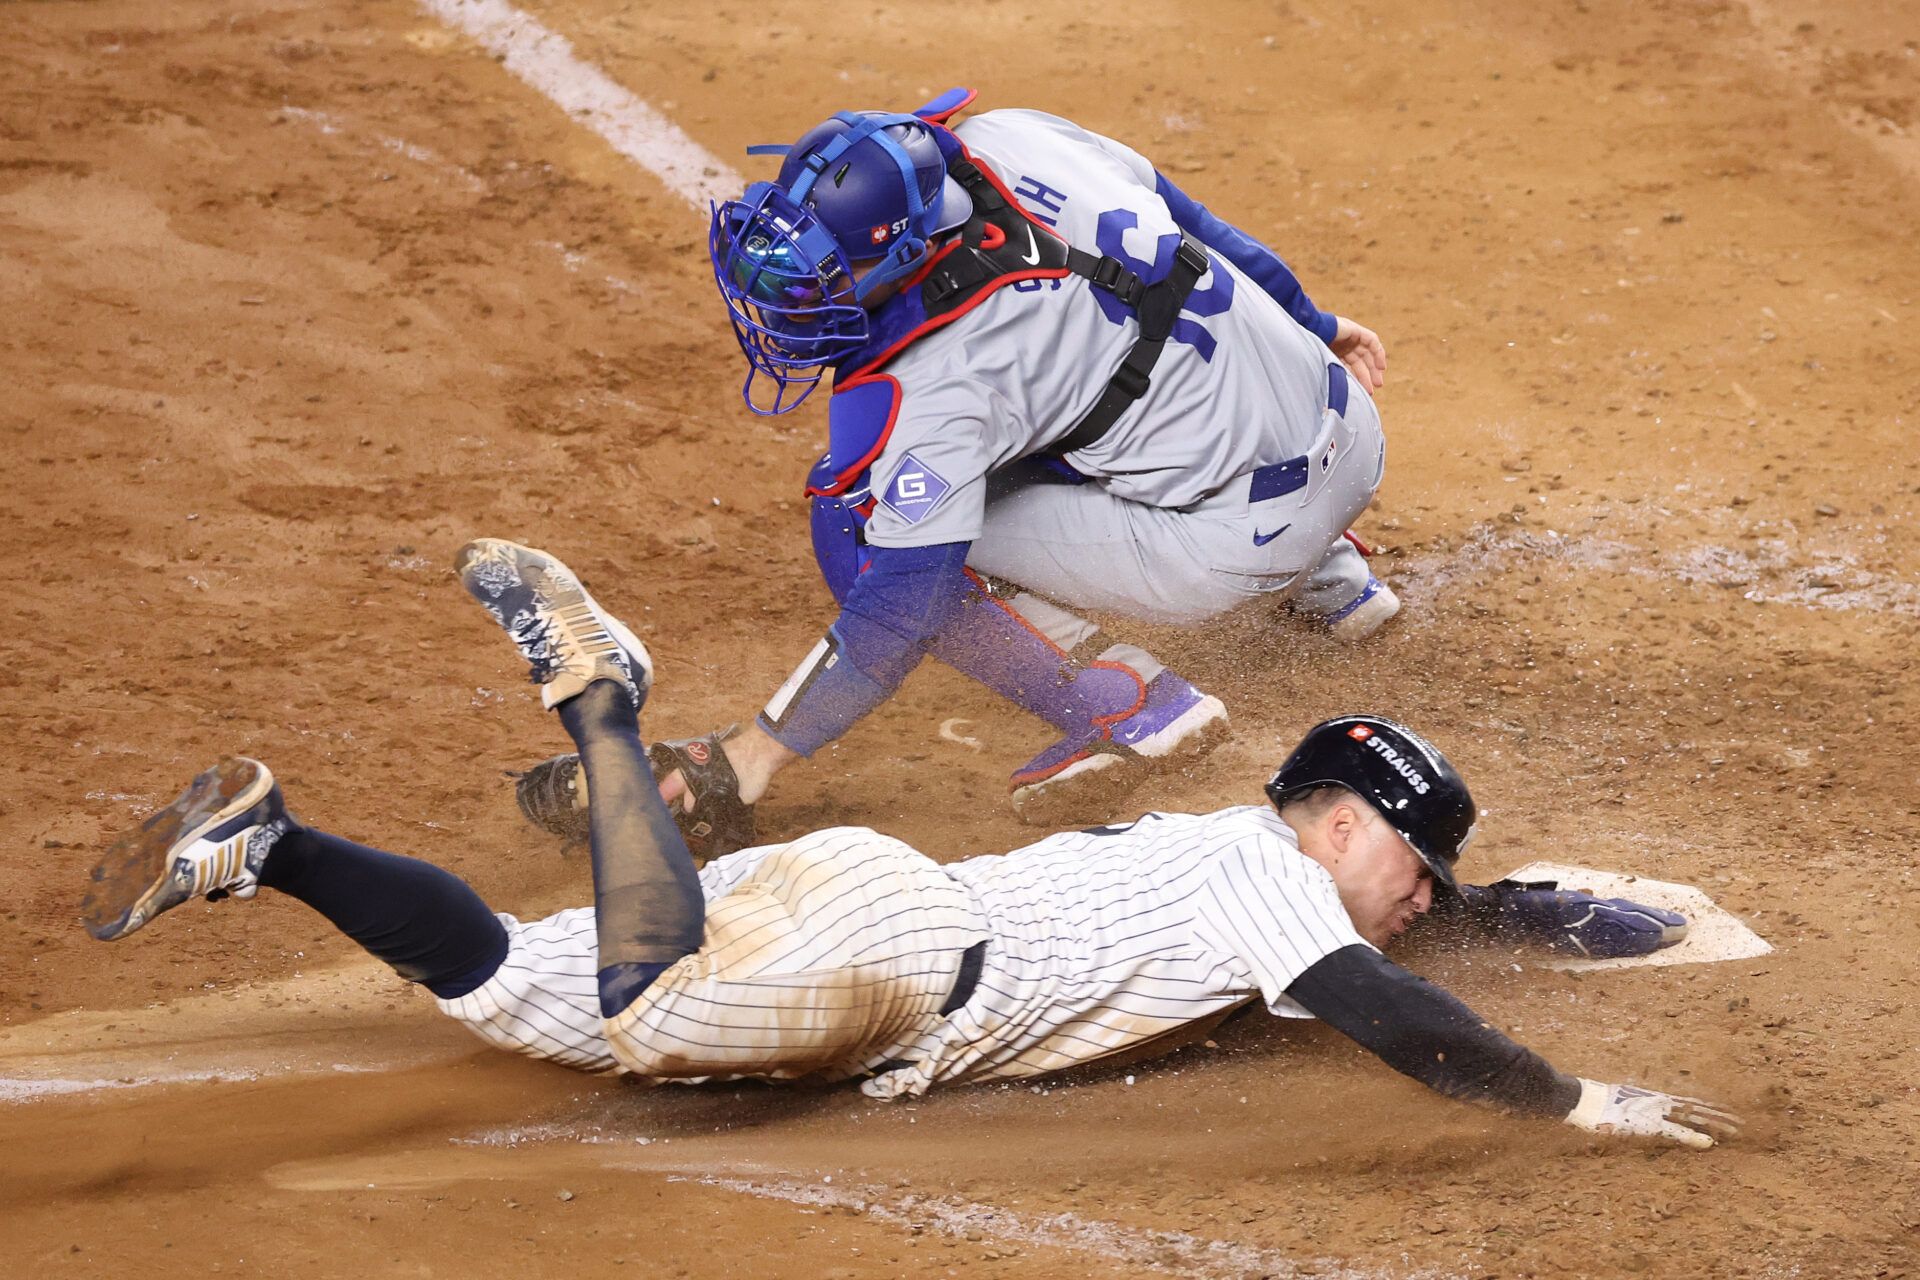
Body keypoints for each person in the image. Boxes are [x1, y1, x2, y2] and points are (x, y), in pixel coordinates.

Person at [82, 541, 1736, 1149]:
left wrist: (1570, 920)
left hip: (873, 904)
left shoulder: (1232, 854)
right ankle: (604, 708)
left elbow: (1429, 939)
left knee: (520, 983)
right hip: (883, 966)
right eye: (1413, 871)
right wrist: (1570, 1102)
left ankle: (267, 845)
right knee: (632, 1001)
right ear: (1345, 827)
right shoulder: (1271, 884)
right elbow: (1395, 1012)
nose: (1417, 904)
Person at [654, 87, 1408, 832]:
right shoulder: (1016, 134)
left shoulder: (936, 385)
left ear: (908, 253)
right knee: (1110, 380)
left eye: (832, 271)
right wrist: (1318, 325)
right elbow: (1203, 229)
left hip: (1242, 543)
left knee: (860, 516)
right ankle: (1335, 583)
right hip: (1346, 421)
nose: (796, 292)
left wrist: (756, 752)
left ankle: (1131, 707)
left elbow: (900, 604)